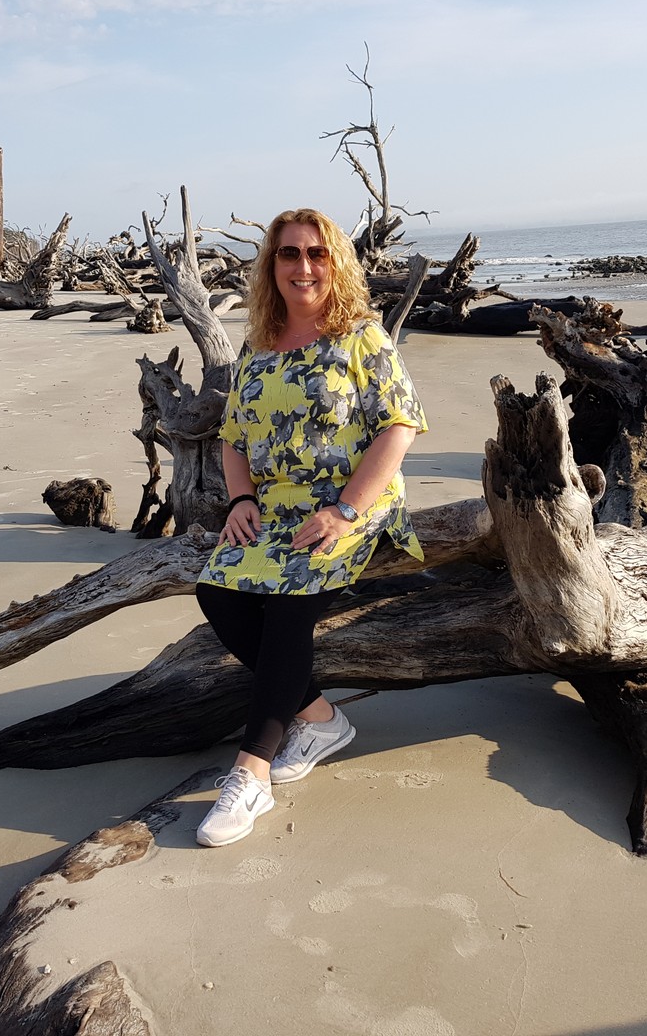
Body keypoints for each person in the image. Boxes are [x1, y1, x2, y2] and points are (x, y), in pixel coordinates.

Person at [193, 207, 427, 848]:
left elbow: (398, 426)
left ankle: (251, 774)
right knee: (217, 593)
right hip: (273, 508)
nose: (304, 266)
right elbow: (234, 437)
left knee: (288, 604)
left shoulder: (362, 337)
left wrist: (346, 509)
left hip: (353, 503)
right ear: (272, 266)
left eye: (317, 253)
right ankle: (321, 717)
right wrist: (240, 500)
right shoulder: (260, 346)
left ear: (337, 262)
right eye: (290, 253)